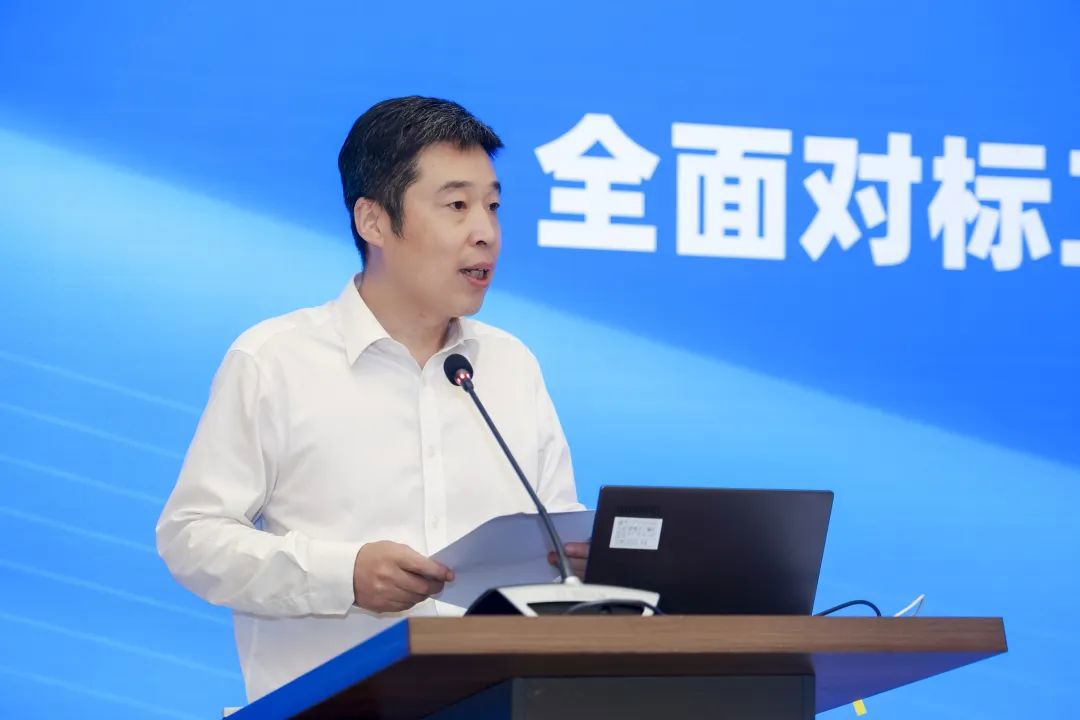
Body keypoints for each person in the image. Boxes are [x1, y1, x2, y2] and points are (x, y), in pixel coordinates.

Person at [155, 96, 588, 702]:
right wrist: (344, 576)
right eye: (457, 206)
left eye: (492, 206)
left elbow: (558, 543)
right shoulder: (276, 360)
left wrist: (579, 567)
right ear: (373, 221)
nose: (485, 233)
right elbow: (192, 538)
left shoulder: (511, 366)